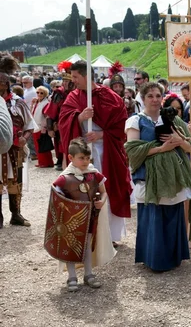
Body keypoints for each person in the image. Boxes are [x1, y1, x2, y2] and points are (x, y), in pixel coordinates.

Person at [125, 82, 191, 271]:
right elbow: (133, 151)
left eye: (157, 96)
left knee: (172, 216)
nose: (154, 99)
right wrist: (161, 149)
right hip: (149, 176)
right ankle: (154, 259)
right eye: (150, 96)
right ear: (143, 99)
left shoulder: (174, 120)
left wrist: (179, 141)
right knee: (154, 216)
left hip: (173, 176)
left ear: (162, 98)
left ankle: (173, 257)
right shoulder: (136, 121)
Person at [58, 60, 131, 244]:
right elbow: (63, 121)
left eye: (75, 77)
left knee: (106, 189)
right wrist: (79, 117)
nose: (73, 80)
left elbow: (121, 124)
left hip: (106, 151)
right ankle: (86, 234)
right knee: (83, 190)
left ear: (85, 76)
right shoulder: (73, 97)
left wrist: (101, 134)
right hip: (83, 152)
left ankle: (109, 236)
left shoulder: (110, 96)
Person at [51, 138, 116, 291]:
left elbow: (104, 193)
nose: (85, 161)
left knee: (87, 246)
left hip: (89, 218)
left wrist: (102, 201)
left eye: (87, 158)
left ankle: (88, 274)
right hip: (69, 222)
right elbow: (55, 196)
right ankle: (72, 277)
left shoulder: (94, 174)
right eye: (81, 158)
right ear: (71, 158)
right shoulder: (64, 178)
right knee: (70, 246)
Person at [0, 67, 34, 228]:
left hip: (15, 149)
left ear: (6, 84)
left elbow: (30, 126)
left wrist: (24, 139)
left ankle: (16, 214)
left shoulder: (18, 102)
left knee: (16, 181)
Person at [44, 61, 74, 171]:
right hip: (60, 125)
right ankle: (61, 161)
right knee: (61, 145)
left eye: (68, 81)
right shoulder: (59, 93)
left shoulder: (78, 92)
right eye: (64, 81)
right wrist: (50, 128)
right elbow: (51, 111)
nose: (65, 83)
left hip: (74, 123)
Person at [30, 86, 55, 168]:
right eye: (38, 92)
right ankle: (41, 162)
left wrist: (45, 127)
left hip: (41, 128)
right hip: (36, 127)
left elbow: (47, 116)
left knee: (43, 146)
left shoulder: (46, 103)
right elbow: (31, 113)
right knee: (38, 146)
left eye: (41, 93)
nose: (39, 94)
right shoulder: (37, 102)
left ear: (45, 94)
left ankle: (47, 162)